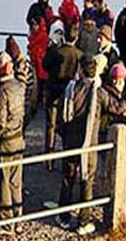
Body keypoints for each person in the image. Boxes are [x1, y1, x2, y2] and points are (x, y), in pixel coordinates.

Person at [56, 55, 126, 233]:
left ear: (80, 70)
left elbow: (60, 116)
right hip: (89, 142)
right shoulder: (98, 92)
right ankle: (84, 221)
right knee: (87, 180)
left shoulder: (70, 88)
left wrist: (64, 134)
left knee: (68, 178)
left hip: (70, 141)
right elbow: (119, 108)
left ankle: (63, 216)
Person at [0, 53, 25, 230]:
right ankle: (18, 216)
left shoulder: (1, 90)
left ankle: (6, 219)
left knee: (3, 181)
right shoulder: (19, 86)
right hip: (18, 137)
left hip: (5, 140)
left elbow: (0, 120)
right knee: (16, 181)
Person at [43, 20, 82, 169]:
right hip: (68, 95)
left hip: (53, 91)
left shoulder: (55, 52)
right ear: (76, 38)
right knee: (67, 126)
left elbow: (45, 65)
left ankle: (49, 159)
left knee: (51, 126)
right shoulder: (79, 54)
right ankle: (67, 159)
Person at [5, 36, 36, 130]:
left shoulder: (20, 67)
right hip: (30, 99)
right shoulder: (26, 63)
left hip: (25, 102)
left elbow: (19, 88)